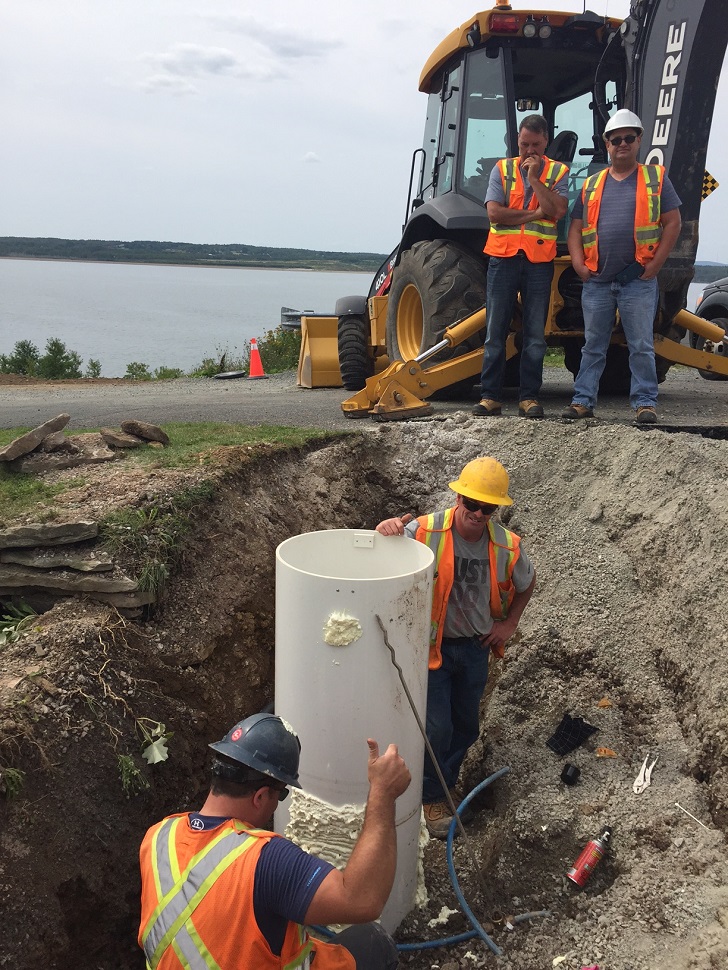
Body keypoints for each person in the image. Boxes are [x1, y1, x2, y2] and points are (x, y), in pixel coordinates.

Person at [138, 713, 411, 969]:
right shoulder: (266, 859)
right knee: (373, 943)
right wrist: (382, 794)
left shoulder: (158, 836)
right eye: (280, 796)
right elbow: (363, 901)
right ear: (260, 797)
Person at [375, 457, 536, 838]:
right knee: (438, 727)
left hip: (475, 648)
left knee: (466, 728)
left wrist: (509, 624)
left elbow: (527, 583)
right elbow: (382, 549)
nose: (478, 514)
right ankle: (432, 799)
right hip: (432, 649)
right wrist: (387, 528)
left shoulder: (506, 547)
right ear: (458, 497)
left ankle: (441, 784)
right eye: (472, 504)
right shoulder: (426, 530)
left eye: (488, 507)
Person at [564, 108, 682, 424]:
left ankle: (645, 403)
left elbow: (673, 223)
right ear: (607, 143)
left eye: (629, 138)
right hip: (598, 281)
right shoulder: (592, 184)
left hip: (638, 279)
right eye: (616, 139)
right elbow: (575, 227)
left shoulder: (656, 179)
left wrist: (656, 264)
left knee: (641, 344)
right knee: (593, 345)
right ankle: (583, 400)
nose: (622, 144)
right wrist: (577, 261)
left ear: (639, 140)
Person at [473, 114, 569, 419]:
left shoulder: (558, 172)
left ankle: (529, 398)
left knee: (535, 336)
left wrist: (533, 179)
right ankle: (490, 396)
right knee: (495, 331)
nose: (529, 151)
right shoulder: (501, 169)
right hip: (503, 259)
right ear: (517, 140)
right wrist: (534, 214)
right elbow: (495, 214)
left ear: (546, 142)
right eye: (524, 144)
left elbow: (556, 212)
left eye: (536, 146)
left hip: (539, 263)